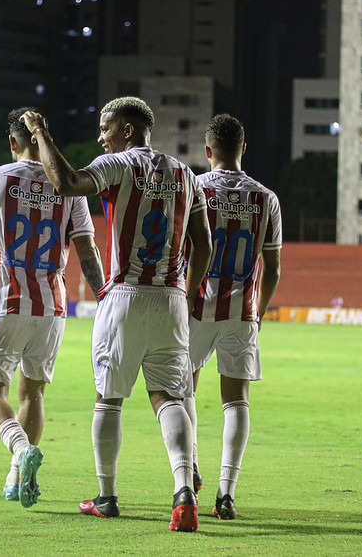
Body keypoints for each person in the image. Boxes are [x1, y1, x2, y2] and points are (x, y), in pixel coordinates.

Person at [20, 97, 212, 532]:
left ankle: (106, 496)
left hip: (125, 293)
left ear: (128, 129)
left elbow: (67, 182)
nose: (100, 137)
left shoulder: (120, 164)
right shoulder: (186, 175)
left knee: (109, 399)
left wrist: (41, 133)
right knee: (169, 398)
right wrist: (187, 289)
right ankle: (184, 493)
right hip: (171, 298)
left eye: (106, 128)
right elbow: (204, 244)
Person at [0, 107, 104, 509]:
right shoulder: (67, 188)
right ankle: (16, 476)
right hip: (51, 308)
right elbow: (87, 250)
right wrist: (103, 295)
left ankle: (19, 451)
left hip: (3, 301)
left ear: (12, 142)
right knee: (32, 392)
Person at [183, 114, 281, 521]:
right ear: (244, 148)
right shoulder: (266, 198)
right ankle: (226, 493)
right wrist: (257, 312)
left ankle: (188, 469)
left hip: (195, 306)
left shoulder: (195, 188)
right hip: (242, 311)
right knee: (236, 400)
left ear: (208, 151)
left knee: (181, 388)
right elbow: (273, 267)